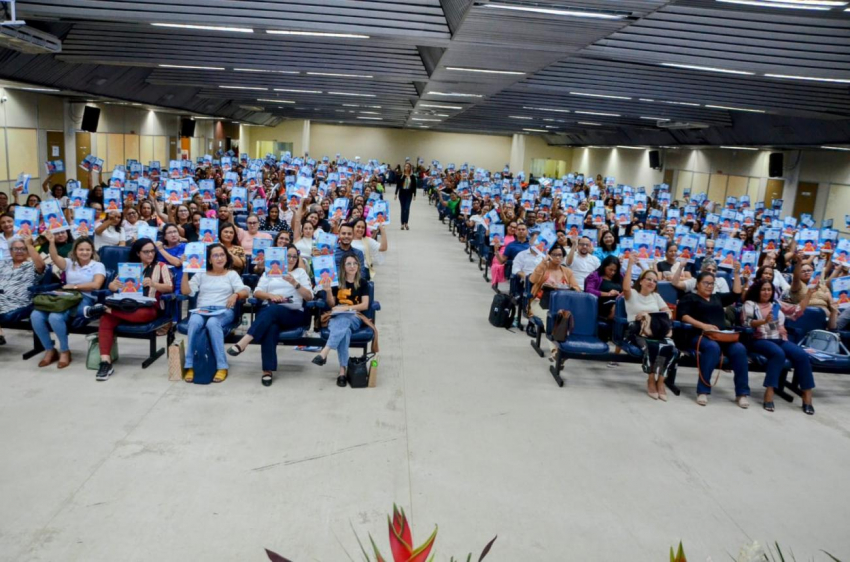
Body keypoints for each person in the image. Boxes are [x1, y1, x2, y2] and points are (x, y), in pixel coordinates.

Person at [86, 238, 173, 381]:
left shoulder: (161, 266)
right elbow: (112, 287)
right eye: (146, 252)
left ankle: (105, 309)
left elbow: (170, 288)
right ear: (138, 253)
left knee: (142, 314)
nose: (150, 254)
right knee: (106, 319)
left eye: (152, 251)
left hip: (149, 307)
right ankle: (105, 362)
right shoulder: (129, 267)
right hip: (126, 305)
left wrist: (154, 284)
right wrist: (115, 285)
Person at [227, 245, 313, 386]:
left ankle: (245, 341)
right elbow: (257, 293)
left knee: (272, 310)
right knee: (271, 326)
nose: (291, 259)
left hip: (294, 314)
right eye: (288, 256)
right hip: (271, 312)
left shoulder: (301, 273)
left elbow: (309, 297)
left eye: (294, 256)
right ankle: (267, 370)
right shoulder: (269, 272)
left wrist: (294, 283)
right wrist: (271, 295)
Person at [678, 263, 749, 408]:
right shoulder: (690, 298)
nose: (709, 286)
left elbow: (736, 294)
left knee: (740, 349)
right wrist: (703, 325)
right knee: (712, 348)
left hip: (721, 335)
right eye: (706, 283)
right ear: (698, 284)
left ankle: (742, 393)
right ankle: (703, 390)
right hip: (699, 335)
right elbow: (683, 316)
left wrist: (736, 274)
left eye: (712, 283)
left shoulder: (717, 298)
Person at [742, 279, 816, 415]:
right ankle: (770, 391)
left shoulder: (775, 304)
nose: (766, 292)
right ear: (758, 291)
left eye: (769, 290)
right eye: (763, 289)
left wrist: (809, 295)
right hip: (759, 339)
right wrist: (764, 321)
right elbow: (747, 323)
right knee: (778, 353)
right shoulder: (750, 304)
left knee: (801, 355)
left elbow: (796, 310)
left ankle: (807, 395)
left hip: (778, 338)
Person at [32, 235, 106, 369]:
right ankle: (50, 349)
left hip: (85, 297)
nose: (84, 252)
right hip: (66, 296)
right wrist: (52, 242)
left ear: (92, 251)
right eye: (81, 249)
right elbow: (54, 257)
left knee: (55, 317)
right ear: (75, 251)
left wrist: (75, 286)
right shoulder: (70, 263)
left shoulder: (98, 265)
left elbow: (96, 285)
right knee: (35, 316)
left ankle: (65, 351)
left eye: (88, 250)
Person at [180, 243, 249, 383]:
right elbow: (186, 292)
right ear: (210, 259)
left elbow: (246, 291)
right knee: (193, 321)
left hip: (223, 310)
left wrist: (235, 295)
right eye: (215, 255)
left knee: (213, 322)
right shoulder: (201, 274)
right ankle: (190, 364)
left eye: (222, 254)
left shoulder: (231, 274)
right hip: (202, 310)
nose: (219, 258)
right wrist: (185, 270)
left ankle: (222, 366)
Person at [621, 254, 678, 400]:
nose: (652, 282)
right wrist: (630, 265)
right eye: (648, 279)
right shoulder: (632, 294)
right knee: (652, 348)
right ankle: (651, 380)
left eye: (654, 281)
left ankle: (661, 381)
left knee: (671, 348)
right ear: (641, 281)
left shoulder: (656, 297)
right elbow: (625, 286)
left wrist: (650, 314)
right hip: (636, 331)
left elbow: (668, 313)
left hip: (656, 330)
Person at [311, 252, 370, 387]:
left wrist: (346, 309)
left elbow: (364, 305)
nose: (352, 266)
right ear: (343, 266)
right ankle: (342, 371)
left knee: (344, 318)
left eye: (355, 263)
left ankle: (325, 351)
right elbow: (332, 305)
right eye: (348, 263)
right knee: (345, 332)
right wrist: (328, 291)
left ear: (358, 266)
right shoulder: (337, 282)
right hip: (336, 317)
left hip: (355, 317)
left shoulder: (363, 283)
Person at [527, 245, 581, 360]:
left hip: (561, 303)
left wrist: (564, 287)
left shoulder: (567, 271)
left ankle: (569, 346)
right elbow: (532, 280)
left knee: (569, 316)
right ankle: (555, 349)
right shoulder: (543, 268)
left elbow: (577, 288)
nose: (557, 257)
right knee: (549, 317)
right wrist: (543, 263)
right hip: (541, 302)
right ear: (549, 255)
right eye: (554, 255)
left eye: (560, 255)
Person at [0, 237, 45, 345]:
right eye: (16, 249)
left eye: (23, 249)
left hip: (18, 302)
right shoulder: (3, 264)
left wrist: (30, 245)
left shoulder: (32, 265)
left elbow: (41, 266)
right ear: (10, 251)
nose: (19, 251)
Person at [782, 257, 838, 329]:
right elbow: (796, 278)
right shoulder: (797, 286)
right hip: (807, 317)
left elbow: (832, 303)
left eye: (809, 270)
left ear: (813, 272)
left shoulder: (822, 286)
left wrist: (835, 311)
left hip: (827, 318)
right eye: (803, 271)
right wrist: (799, 262)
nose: (806, 272)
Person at [584, 255, 622, 319]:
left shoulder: (620, 276)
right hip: (601, 303)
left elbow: (627, 289)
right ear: (604, 266)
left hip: (618, 301)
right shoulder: (595, 276)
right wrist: (608, 294)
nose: (613, 272)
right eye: (610, 270)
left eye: (615, 270)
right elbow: (589, 290)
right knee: (616, 308)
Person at [156, 223, 186, 293]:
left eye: (175, 231)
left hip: (179, 282)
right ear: (165, 237)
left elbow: (177, 263)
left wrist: (161, 250)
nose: (173, 235)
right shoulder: (158, 249)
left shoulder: (185, 247)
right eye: (169, 233)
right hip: (163, 282)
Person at [394, 162, 417, 230]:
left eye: (408, 167)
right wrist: (395, 194)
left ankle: (406, 223)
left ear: (410, 168)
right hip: (402, 194)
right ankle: (402, 224)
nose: (407, 168)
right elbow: (398, 185)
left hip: (409, 194)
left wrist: (414, 195)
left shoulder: (412, 176)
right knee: (403, 208)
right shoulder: (401, 175)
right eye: (406, 166)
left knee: (407, 208)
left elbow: (414, 186)